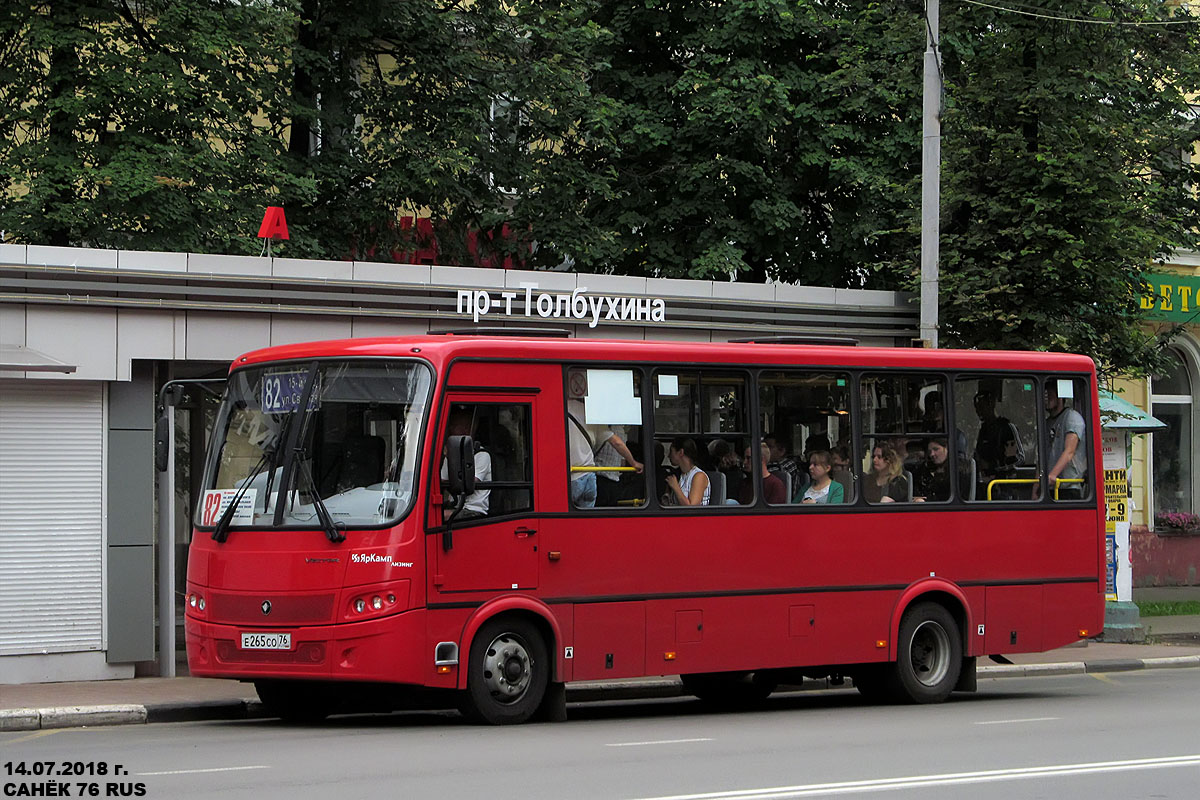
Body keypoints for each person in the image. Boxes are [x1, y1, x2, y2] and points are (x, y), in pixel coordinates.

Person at [441, 408, 491, 519]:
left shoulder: (481, 455)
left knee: (436, 519)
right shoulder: (451, 454)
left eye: (454, 426)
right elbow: (443, 480)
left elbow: (469, 483)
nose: (450, 429)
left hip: (473, 510)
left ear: (466, 429)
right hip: (455, 506)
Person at [973, 388, 1023, 498]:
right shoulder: (983, 429)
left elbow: (1019, 459)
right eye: (977, 409)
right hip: (985, 485)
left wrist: (993, 467)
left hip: (1004, 487)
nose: (979, 412)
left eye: (982, 407)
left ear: (991, 404)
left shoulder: (1007, 428)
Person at [1045, 382, 1086, 500]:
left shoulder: (1072, 418)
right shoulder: (1047, 423)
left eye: (1051, 392)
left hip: (1068, 487)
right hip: (1051, 488)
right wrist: (1036, 488)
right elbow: (1041, 457)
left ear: (1060, 395)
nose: (1047, 396)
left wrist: (1052, 475)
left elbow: (1069, 451)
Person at [913, 437, 966, 502]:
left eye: (936, 449)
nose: (932, 454)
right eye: (930, 451)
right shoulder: (925, 469)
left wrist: (924, 501)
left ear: (947, 448)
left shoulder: (958, 471)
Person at [566, 399, 597, 508]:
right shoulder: (588, 411)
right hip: (590, 474)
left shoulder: (558, 408)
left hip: (573, 476)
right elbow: (615, 441)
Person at [664, 437, 710, 506]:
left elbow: (692, 508)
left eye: (671, 452)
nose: (669, 456)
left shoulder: (699, 476)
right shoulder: (679, 475)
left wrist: (676, 488)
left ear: (680, 452)